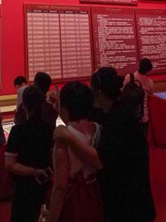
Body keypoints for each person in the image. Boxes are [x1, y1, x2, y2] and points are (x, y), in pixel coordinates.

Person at [53, 67, 156, 222]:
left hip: (128, 203)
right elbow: (80, 116)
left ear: (99, 93)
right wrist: (61, 108)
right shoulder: (113, 112)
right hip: (127, 197)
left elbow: (100, 160)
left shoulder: (118, 118)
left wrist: (67, 136)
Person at [41, 82, 103, 222]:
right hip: (94, 193)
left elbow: (60, 186)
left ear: (64, 108)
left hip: (74, 200)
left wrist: (52, 218)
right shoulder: (97, 128)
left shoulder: (62, 137)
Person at [6, 86, 54, 222]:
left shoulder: (17, 131)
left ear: (23, 105)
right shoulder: (49, 129)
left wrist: (32, 172)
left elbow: (9, 164)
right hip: (44, 186)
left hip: (23, 188)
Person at [123, 58, 155, 136]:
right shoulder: (150, 82)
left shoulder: (129, 77)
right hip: (143, 115)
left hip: (129, 114)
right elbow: (150, 96)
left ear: (138, 65)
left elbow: (122, 91)